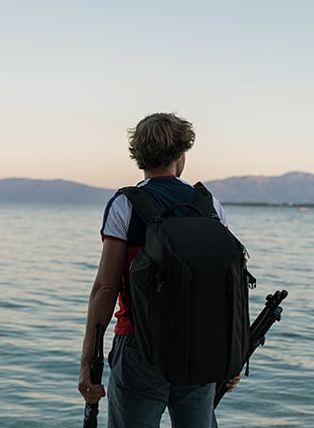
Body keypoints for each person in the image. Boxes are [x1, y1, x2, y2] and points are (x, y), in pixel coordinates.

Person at [78, 112, 240, 428]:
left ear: (138, 156)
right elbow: (226, 288)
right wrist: (231, 356)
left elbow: (106, 288)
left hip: (139, 345)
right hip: (201, 346)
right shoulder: (209, 206)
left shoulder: (125, 205)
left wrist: (87, 363)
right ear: (181, 155)